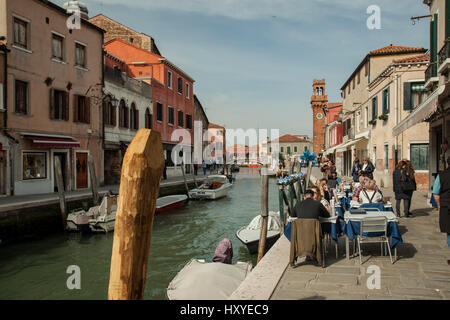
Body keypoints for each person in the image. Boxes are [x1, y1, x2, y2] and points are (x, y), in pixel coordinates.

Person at [432, 156, 450, 260]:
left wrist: (439, 205)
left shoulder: (442, 175)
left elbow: (436, 193)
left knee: (449, 230)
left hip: (446, 206)